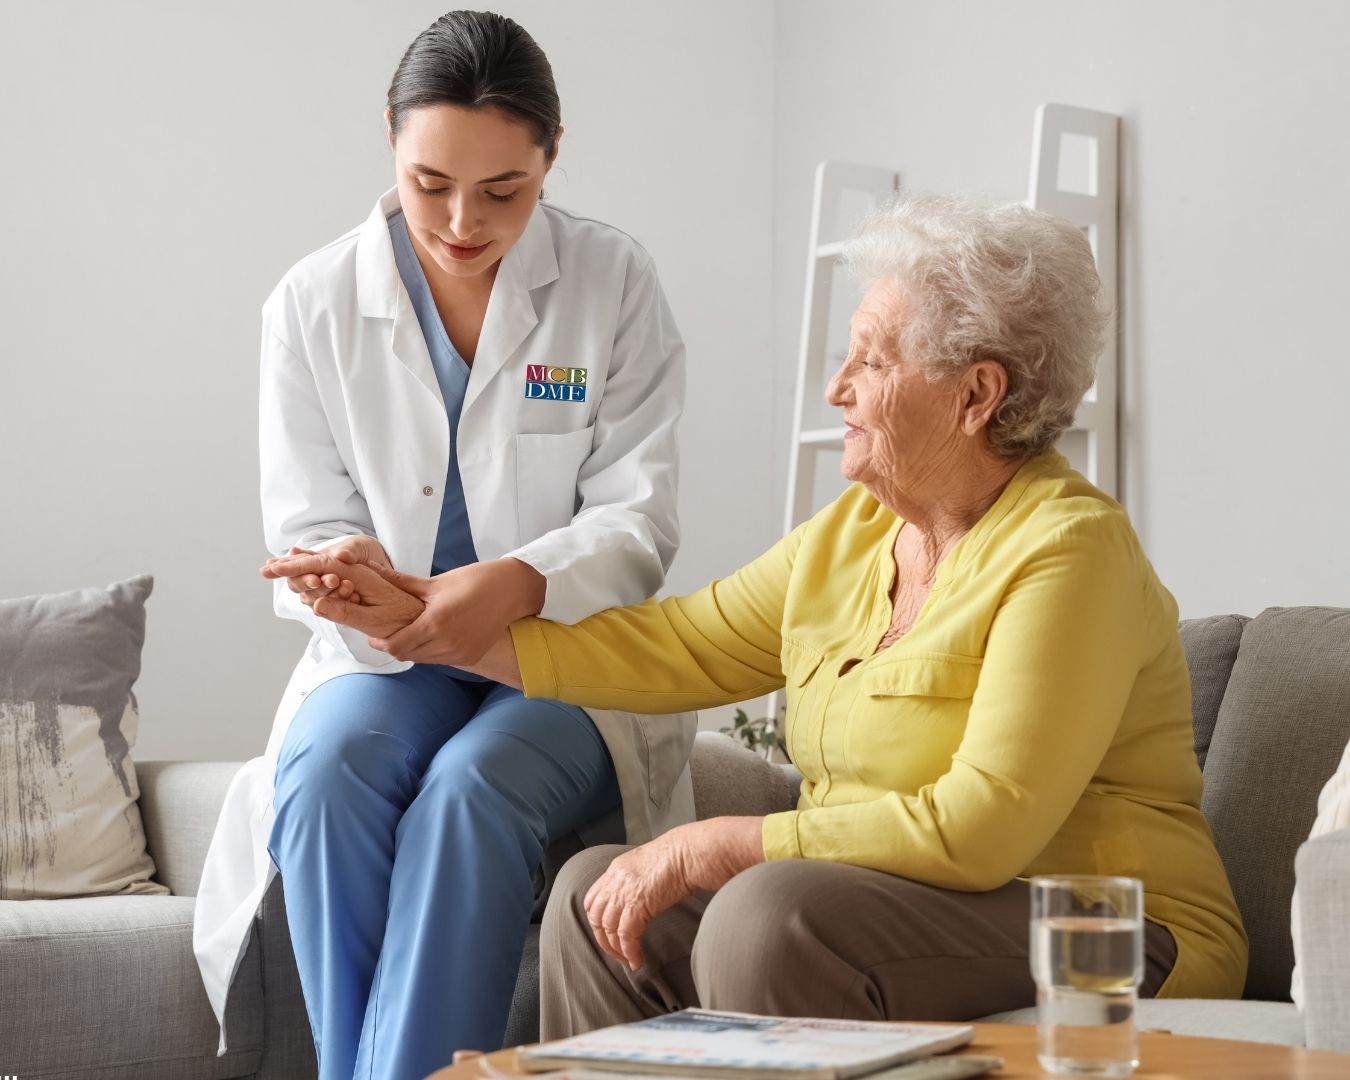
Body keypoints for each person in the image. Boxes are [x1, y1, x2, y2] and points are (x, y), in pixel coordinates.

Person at [282, 194, 1248, 1034]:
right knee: (596, 902)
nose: (838, 390)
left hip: (1115, 929)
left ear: (976, 394)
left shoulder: (1068, 553)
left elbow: (979, 828)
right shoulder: (857, 534)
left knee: (765, 911)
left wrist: (722, 842)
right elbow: (681, 643)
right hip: (895, 903)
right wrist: (433, 620)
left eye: (872, 362)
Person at [192, 12, 697, 1079]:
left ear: (552, 152)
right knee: (325, 773)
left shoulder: (614, 286)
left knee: (474, 791)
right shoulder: (313, 303)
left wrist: (517, 581)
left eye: (503, 191)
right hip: (390, 654)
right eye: (432, 184)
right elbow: (306, 523)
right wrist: (352, 582)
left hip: (561, 653)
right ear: (388, 139)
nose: (463, 221)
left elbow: (638, 517)